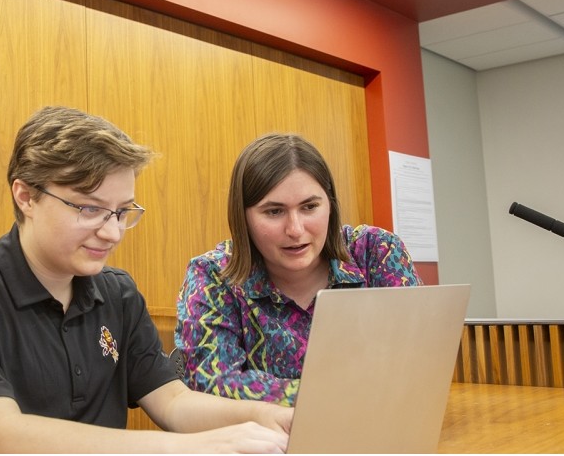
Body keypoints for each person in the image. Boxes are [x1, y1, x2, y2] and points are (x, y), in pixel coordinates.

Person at [0, 106, 292, 454]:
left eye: (123, 212)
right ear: (26, 196)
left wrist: (265, 415)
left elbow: (172, 401)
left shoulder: (118, 293)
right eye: (90, 209)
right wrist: (186, 448)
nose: (112, 233)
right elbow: (2, 437)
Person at [175, 133, 421, 406]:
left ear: (330, 205)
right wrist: (338, 394)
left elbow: (416, 360)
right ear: (242, 217)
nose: (295, 229)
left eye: (310, 207)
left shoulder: (377, 252)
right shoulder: (213, 274)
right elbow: (213, 383)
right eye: (274, 212)